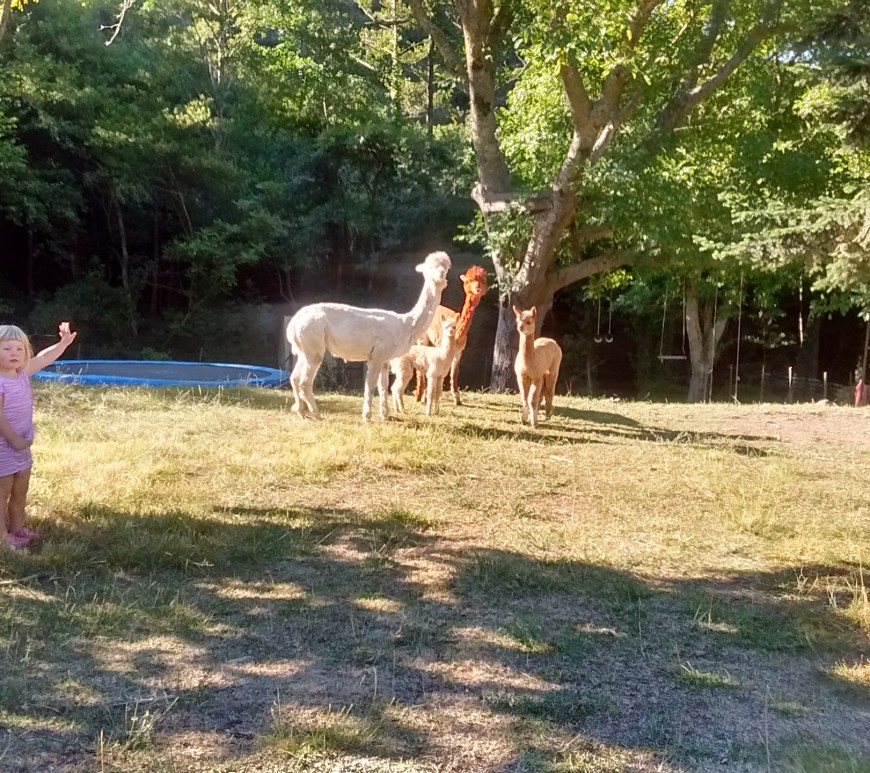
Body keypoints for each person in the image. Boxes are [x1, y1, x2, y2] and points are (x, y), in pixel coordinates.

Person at [0, 322, 77, 549]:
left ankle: (17, 528)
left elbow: (44, 358)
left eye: (19, 348)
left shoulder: (21, 374)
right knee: (2, 492)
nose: (14, 353)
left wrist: (63, 343)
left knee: (20, 491)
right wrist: (14, 440)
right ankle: (3, 537)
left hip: (22, 446)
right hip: (4, 446)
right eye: (6, 348)